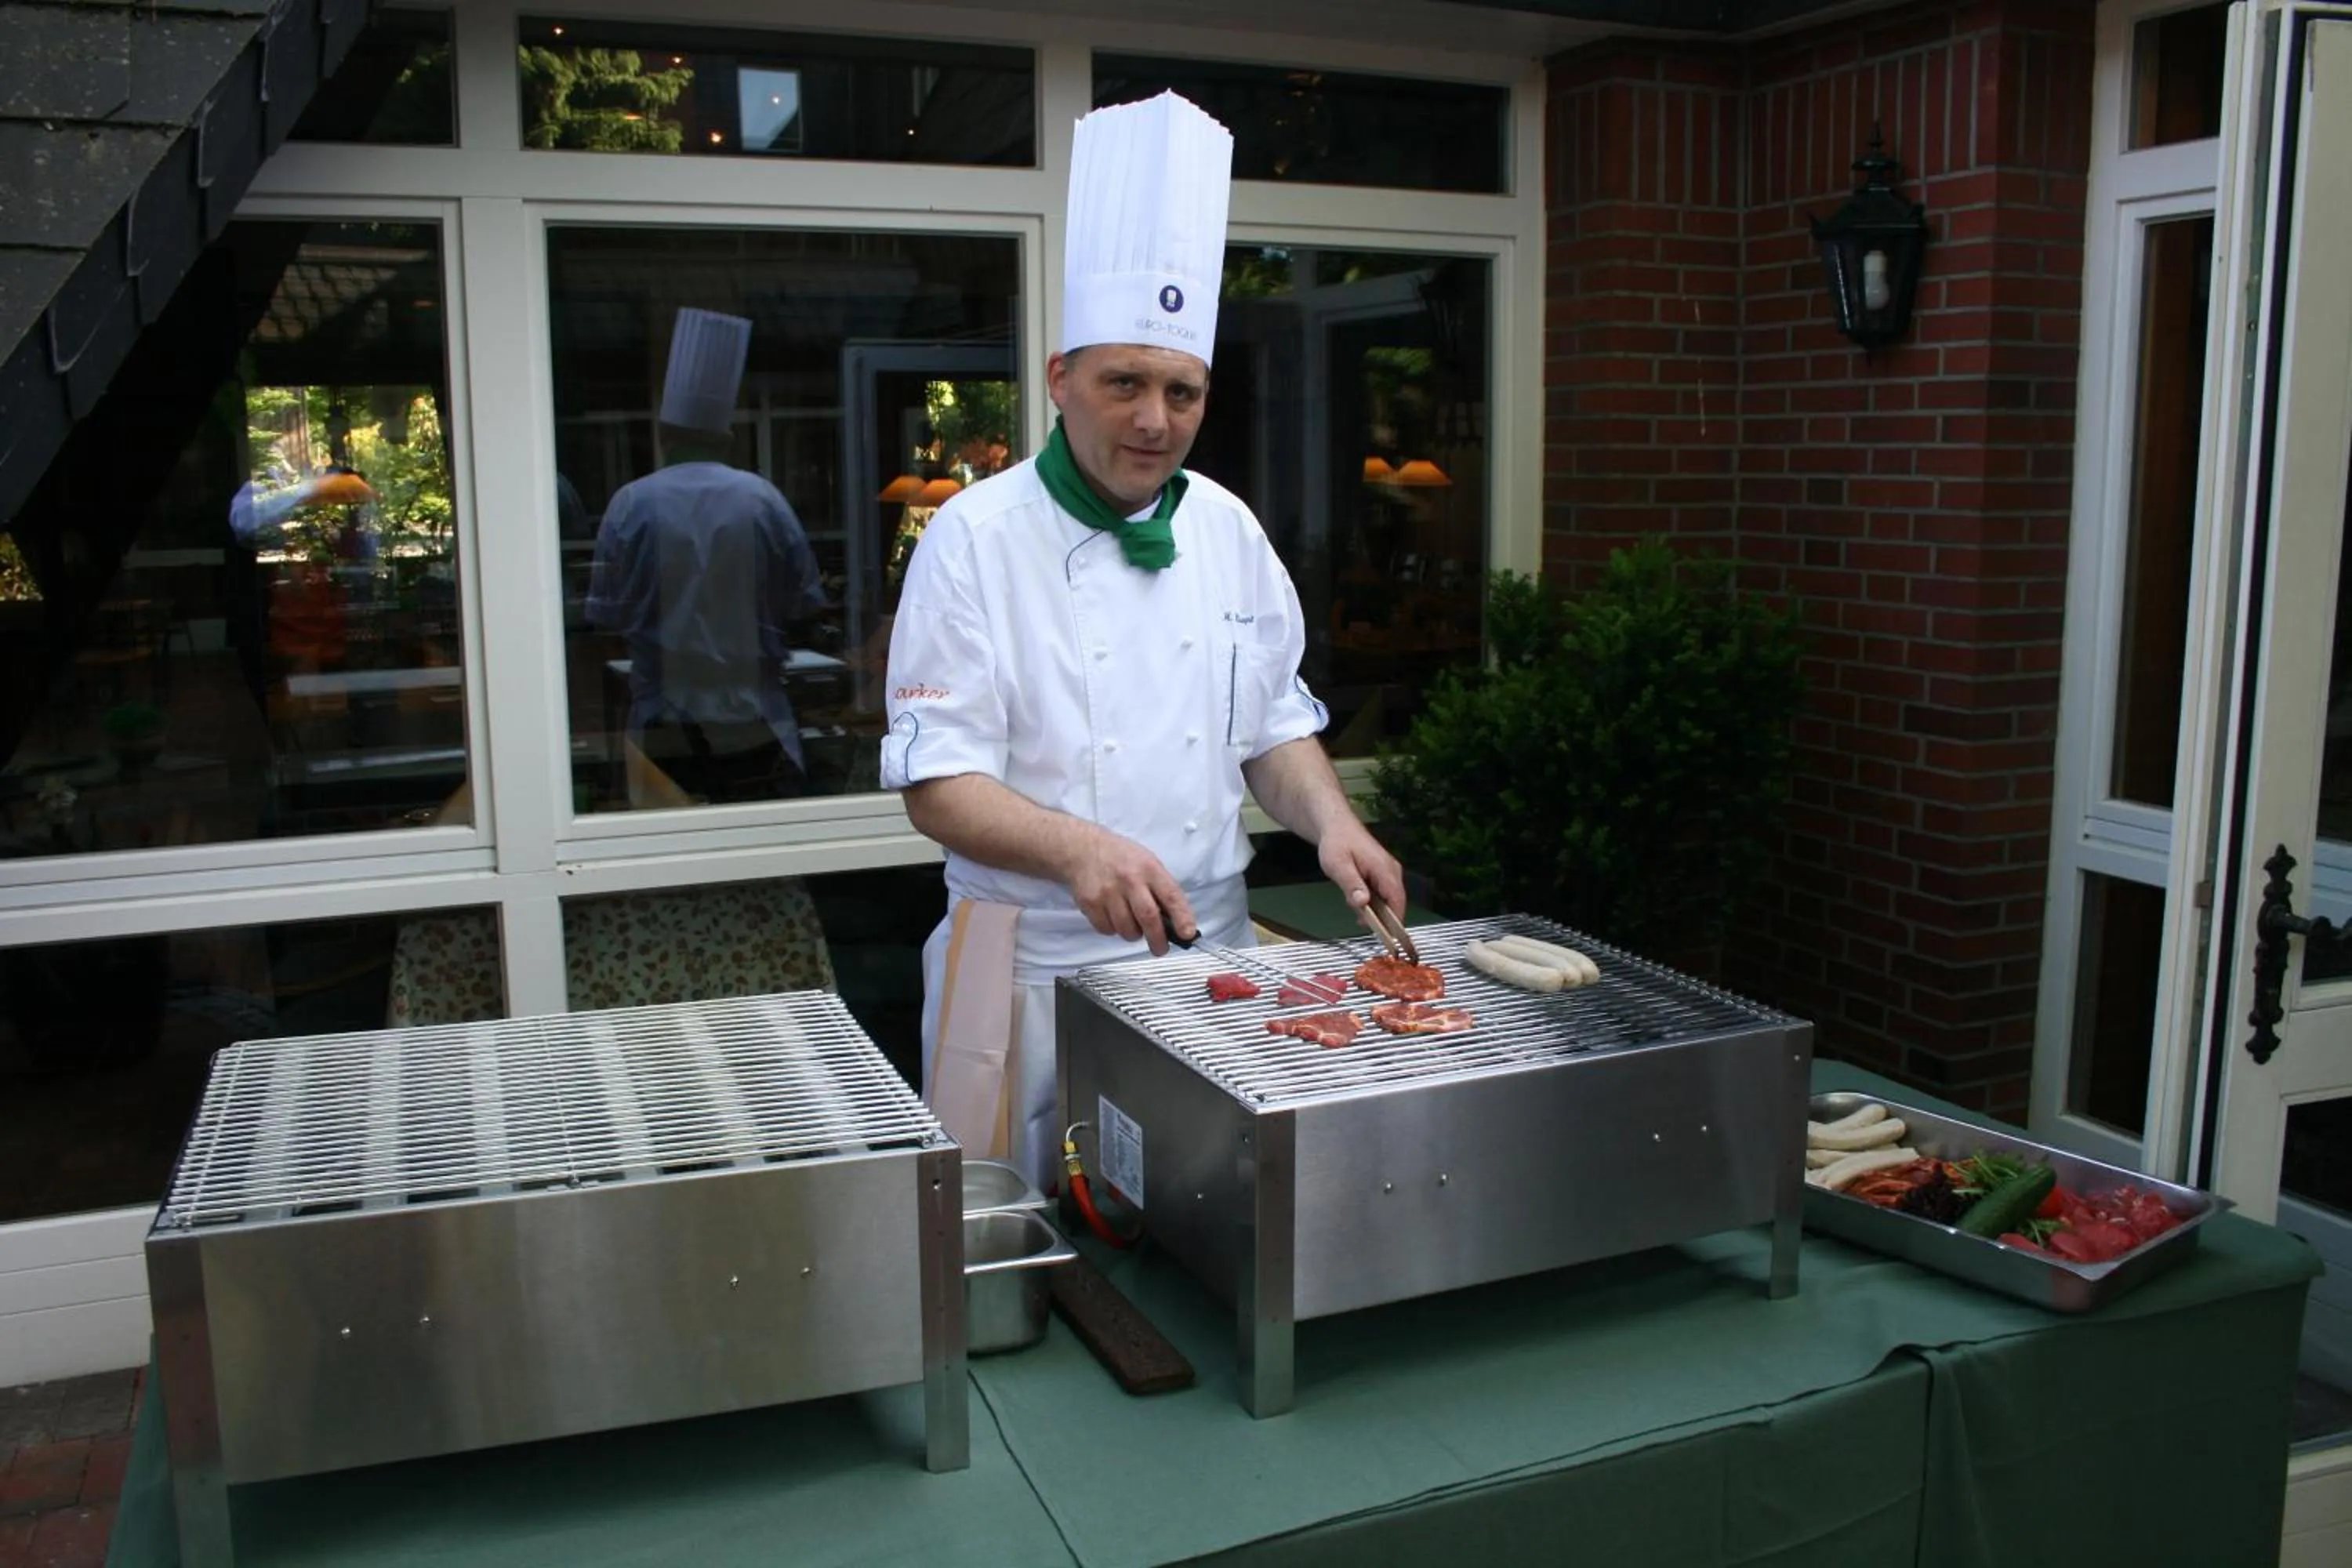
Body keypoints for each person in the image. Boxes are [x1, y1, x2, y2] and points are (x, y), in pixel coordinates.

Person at [881, 93, 1406, 1187]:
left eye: (1182, 391)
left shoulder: (1226, 528)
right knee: (1022, 1249)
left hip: (1207, 960)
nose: (1154, 420)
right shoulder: (974, 539)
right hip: (1027, 971)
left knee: (1201, 1216)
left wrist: (1335, 825)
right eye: (1124, 383)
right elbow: (938, 784)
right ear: (1060, 378)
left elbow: (1268, 726)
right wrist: (1082, 850)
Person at [587, 307, 826, 804]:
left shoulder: (632, 502)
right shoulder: (763, 500)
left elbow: (605, 616)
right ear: (727, 436)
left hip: (663, 725)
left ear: (664, 433)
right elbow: (805, 604)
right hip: (753, 723)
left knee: (668, 860)